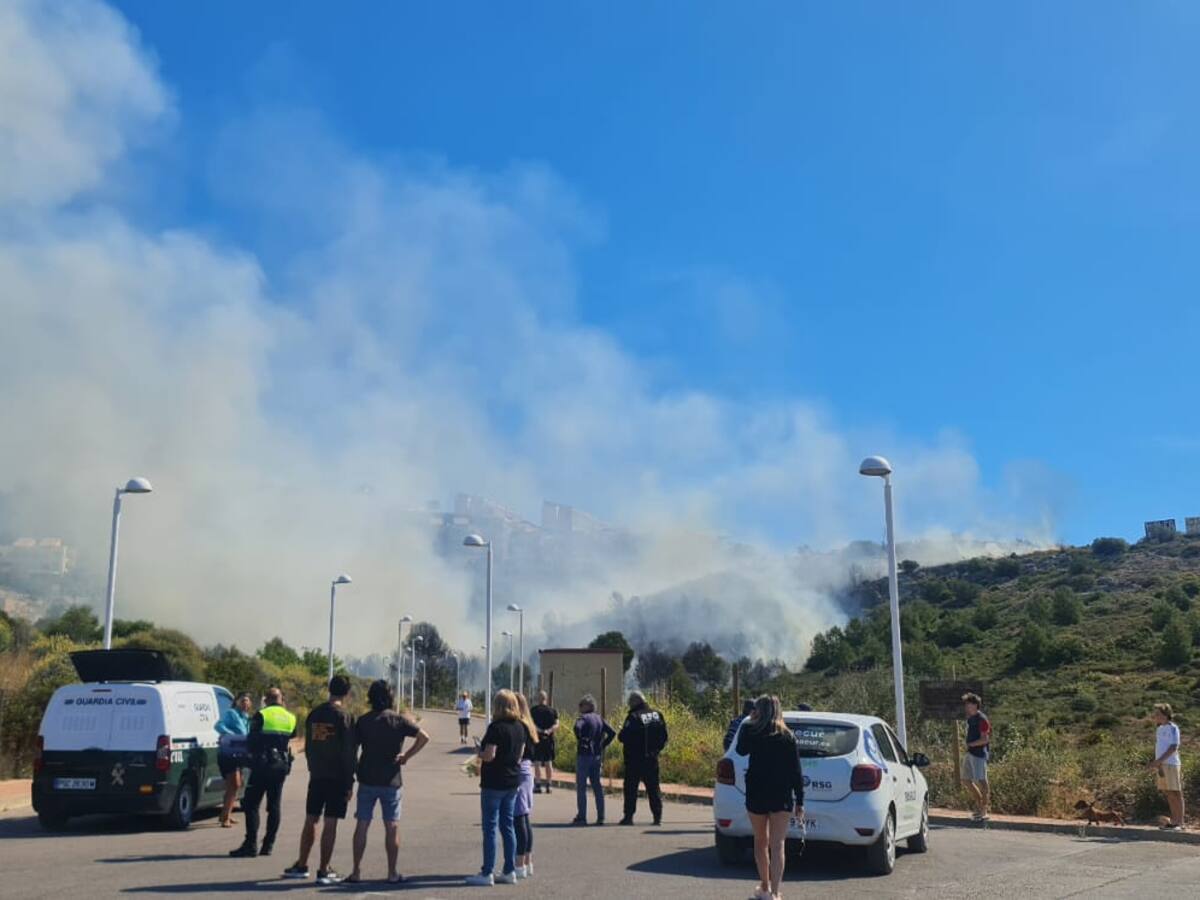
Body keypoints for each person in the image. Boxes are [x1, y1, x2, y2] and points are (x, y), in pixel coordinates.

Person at [347, 680, 429, 884]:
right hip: (391, 779)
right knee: (391, 825)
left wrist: (356, 767)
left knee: (362, 824)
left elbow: (352, 748)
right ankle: (392, 872)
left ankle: (356, 871)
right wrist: (406, 756)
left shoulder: (363, 721)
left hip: (367, 778)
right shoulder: (398, 721)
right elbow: (424, 737)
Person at [282, 676, 356, 884]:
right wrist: (349, 782)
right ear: (347, 693)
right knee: (330, 821)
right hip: (337, 777)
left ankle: (302, 864)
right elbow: (349, 752)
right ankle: (324, 870)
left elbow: (309, 746)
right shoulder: (345, 717)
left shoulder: (315, 714)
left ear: (329, 690)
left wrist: (313, 767)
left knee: (311, 818)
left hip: (317, 775)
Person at [735, 695, 804, 900]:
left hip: (756, 791)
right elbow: (796, 771)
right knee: (778, 843)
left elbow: (740, 750)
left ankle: (764, 887)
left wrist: (749, 720)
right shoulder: (788, 736)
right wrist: (800, 800)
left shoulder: (750, 730)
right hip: (781, 794)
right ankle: (775, 892)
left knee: (760, 841)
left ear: (758, 710)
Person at [466, 689, 527, 886]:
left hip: (494, 782)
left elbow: (490, 755)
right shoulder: (520, 727)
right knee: (507, 826)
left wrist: (479, 752)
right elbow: (519, 756)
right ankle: (510, 870)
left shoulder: (496, 728)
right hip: (512, 781)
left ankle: (487, 872)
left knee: (490, 827)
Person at [230, 687, 296, 859]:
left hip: (261, 764)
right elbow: (292, 736)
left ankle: (250, 844)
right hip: (281, 765)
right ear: (282, 699)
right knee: (274, 805)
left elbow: (251, 740)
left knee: (251, 804)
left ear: (266, 699)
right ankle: (268, 844)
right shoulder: (291, 717)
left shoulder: (261, 715)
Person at [618, 691, 668, 826]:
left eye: (630, 703)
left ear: (635, 702)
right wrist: (656, 751)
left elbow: (623, 736)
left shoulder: (633, 716)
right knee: (653, 788)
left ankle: (628, 817)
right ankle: (657, 817)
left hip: (634, 759)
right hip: (652, 758)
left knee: (630, 788)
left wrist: (621, 733)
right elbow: (664, 737)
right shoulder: (657, 715)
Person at [571, 694, 616, 826]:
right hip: (596, 755)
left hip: (584, 755)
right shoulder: (599, 719)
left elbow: (577, 727)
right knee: (597, 786)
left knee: (581, 786)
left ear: (588, 706)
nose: (580, 707)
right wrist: (603, 745)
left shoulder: (583, 718)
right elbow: (612, 733)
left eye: (582, 704)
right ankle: (601, 816)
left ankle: (582, 816)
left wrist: (580, 738)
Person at [215, 692, 253, 828]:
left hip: (240, 754)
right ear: (236, 701)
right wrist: (233, 736)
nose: (245, 703)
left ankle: (226, 814)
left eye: (248, 701)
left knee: (234, 786)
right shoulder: (231, 713)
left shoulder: (247, 718)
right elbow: (218, 726)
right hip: (228, 753)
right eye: (243, 700)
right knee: (235, 784)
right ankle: (225, 817)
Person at [513, 693, 539, 879]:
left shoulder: (519, 725)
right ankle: (528, 861)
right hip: (528, 769)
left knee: (518, 817)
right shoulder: (529, 724)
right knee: (525, 817)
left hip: (520, 770)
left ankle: (519, 863)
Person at [1150, 703, 1185, 830]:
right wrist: (1157, 763)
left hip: (1171, 763)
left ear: (1165, 715)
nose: (1156, 716)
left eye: (1158, 714)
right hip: (1162, 764)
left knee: (1176, 792)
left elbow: (1173, 747)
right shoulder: (1159, 729)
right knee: (1168, 793)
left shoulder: (1173, 728)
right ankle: (1174, 821)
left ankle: (1180, 822)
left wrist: (1159, 760)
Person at [961, 692, 991, 822]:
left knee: (982, 781)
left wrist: (972, 744)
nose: (967, 707)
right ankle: (979, 805)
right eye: (966, 704)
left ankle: (984, 810)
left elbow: (985, 739)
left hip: (979, 754)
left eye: (970, 704)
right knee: (966, 779)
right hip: (970, 752)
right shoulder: (970, 718)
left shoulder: (982, 719)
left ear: (976, 705)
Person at [530, 691, 559, 794]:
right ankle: (548, 785)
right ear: (546, 699)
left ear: (538, 699)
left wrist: (539, 730)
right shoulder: (552, 711)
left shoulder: (533, 711)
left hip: (537, 739)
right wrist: (549, 731)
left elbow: (531, 724)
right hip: (549, 739)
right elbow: (557, 724)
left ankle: (537, 784)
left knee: (537, 762)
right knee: (548, 762)